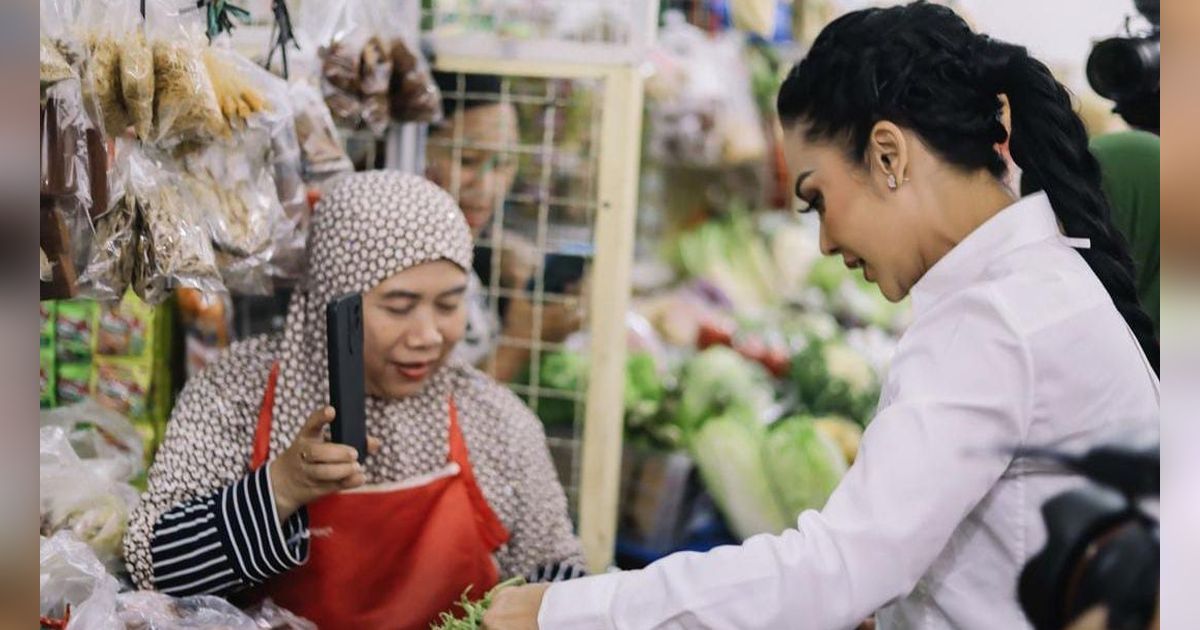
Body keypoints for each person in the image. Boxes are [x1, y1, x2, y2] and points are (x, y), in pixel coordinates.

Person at [482, 3, 1159, 629]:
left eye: (816, 199)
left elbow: (835, 569)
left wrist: (567, 610)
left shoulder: (992, 320)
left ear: (888, 155)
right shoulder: (1035, 284)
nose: (827, 242)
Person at [124, 172, 585, 629]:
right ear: (332, 297)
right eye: (399, 307)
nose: (428, 335)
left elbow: (556, 572)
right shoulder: (236, 393)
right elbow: (153, 568)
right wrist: (279, 489)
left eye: (448, 305)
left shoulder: (495, 418)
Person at [425, 71, 585, 382]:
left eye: (504, 163)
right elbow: (432, 424)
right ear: (417, 149)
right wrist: (518, 342)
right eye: (468, 160)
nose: (487, 188)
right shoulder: (397, 265)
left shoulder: (485, 254)